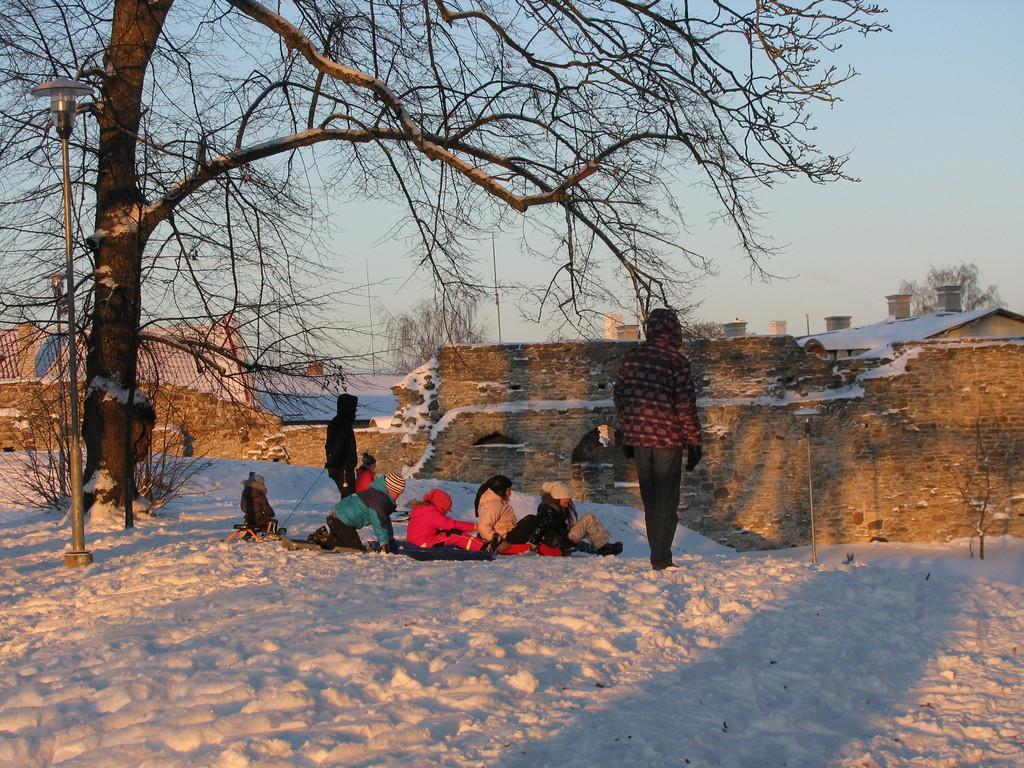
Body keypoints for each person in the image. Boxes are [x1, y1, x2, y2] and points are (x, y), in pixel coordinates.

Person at [613, 308, 702, 571]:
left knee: (650, 500)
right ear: (673, 331)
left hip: (640, 439)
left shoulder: (631, 359)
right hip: (667, 439)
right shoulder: (676, 361)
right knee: (666, 500)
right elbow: (684, 405)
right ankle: (661, 558)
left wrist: (628, 433)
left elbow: (621, 398)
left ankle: (658, 555)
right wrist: (695, 442)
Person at [319, 472, 406, 551]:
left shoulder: (379, 496)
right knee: (354, 549)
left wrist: (389, 538)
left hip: (338, 517)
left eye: (400, 493)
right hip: (340, 519)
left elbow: (385, 520)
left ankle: (326, 537)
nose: (398, 496)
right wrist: (384, 543)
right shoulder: (378, 500)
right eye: (397, 493)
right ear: (389, 489)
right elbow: (378, 522)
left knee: (348, 542)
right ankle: (323, 539)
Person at [534, 481, 622, 556]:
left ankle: (602, 546)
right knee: (589, 519)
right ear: (556, 499)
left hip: (562, 539)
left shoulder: (556, 509)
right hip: (559, 542)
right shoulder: (547, 509)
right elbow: (542, 527)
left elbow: (557, 526)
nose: (567, 505)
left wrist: (566, 529)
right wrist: (533, 543)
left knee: (589, 520)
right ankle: (603, 547)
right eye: (565, 502)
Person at [475, 474, 537, 551]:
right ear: (500, 490)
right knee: (531, 520)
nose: (510, 493)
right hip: (504, 539)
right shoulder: (494, 505)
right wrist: (499, 542)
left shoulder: (497, 503)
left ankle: (546, 541)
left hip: (506, 535)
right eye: (508, 490)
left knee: (532, 520)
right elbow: (483, 527)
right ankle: (551, 543)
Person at [406, 489, 479, 548]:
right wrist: (475, 527)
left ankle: (475, 544)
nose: (446, 513)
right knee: (455, 534)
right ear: (440, 505)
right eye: (445, 510)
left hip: (415, 542)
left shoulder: (423, 509)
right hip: (423, 544)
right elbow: (452, 525)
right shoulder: (432, 513)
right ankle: (482, 547)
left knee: (445, 533)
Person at [325, 394, 358, 497]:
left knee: (347, 496)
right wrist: (334, 462)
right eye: (353, 408)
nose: (355, 411)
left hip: (343, 468)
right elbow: (336, 445)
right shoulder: (342, 424)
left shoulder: (341, 422)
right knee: (347, 497)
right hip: (343, 469)